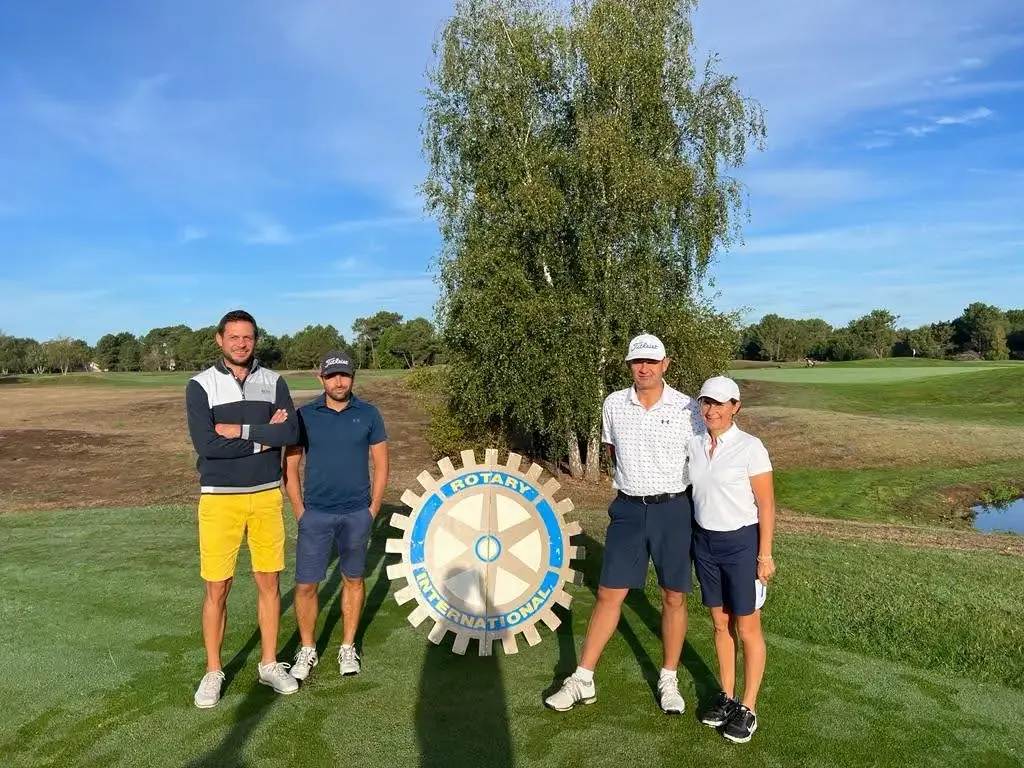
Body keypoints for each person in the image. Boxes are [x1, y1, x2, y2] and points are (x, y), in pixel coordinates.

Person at [545, 333, 705, 715]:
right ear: (630, 365)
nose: (644, 368)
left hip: (673, 509)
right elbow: (613, 452)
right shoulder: (614, 403)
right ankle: (583, 677)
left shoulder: (689, 407)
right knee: (609, 594)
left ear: (665, 364)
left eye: (651, 361)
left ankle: (669, 678)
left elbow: (700, 460)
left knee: (673, 596)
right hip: (628, 510)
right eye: (637, 362)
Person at [185, 309, 301, 708]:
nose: (241, 344)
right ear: (220, 339)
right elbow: (207, 446)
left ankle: (269, 664)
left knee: (269, 582)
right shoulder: (200, 386)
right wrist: (265, 438)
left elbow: (291, 432)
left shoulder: (274, 381)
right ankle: (214, 671)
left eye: (247, 337)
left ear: (256, 339)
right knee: (218, 586)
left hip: (267, 495)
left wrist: (241, 431)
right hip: (219, 498)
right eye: (233, 337)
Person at [283, 350, 389, 681]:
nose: (339, 381)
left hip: (356, 513)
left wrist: (372, 509)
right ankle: (308, 648)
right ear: (321, 379)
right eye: (332, 376)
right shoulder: (305, 415)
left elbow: (382, 465)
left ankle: (347, 646)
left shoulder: (369, 414)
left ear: (352, 378)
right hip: (316, 514)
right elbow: (291, 464)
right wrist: (300, 509)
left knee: (353, 580)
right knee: (305, 585)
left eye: (344, 375)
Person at [687, 375, 776, 744]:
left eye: (720, 404)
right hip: (704, 543)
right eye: (706, 402)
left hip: (741, 543)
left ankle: (748, 708)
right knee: (720, 624)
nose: (712, 410)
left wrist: (764, 555)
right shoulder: (693, 443)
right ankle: (726, 697)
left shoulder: (750, 447)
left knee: (747, 627)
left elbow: (767, 504)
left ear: (735, 407)